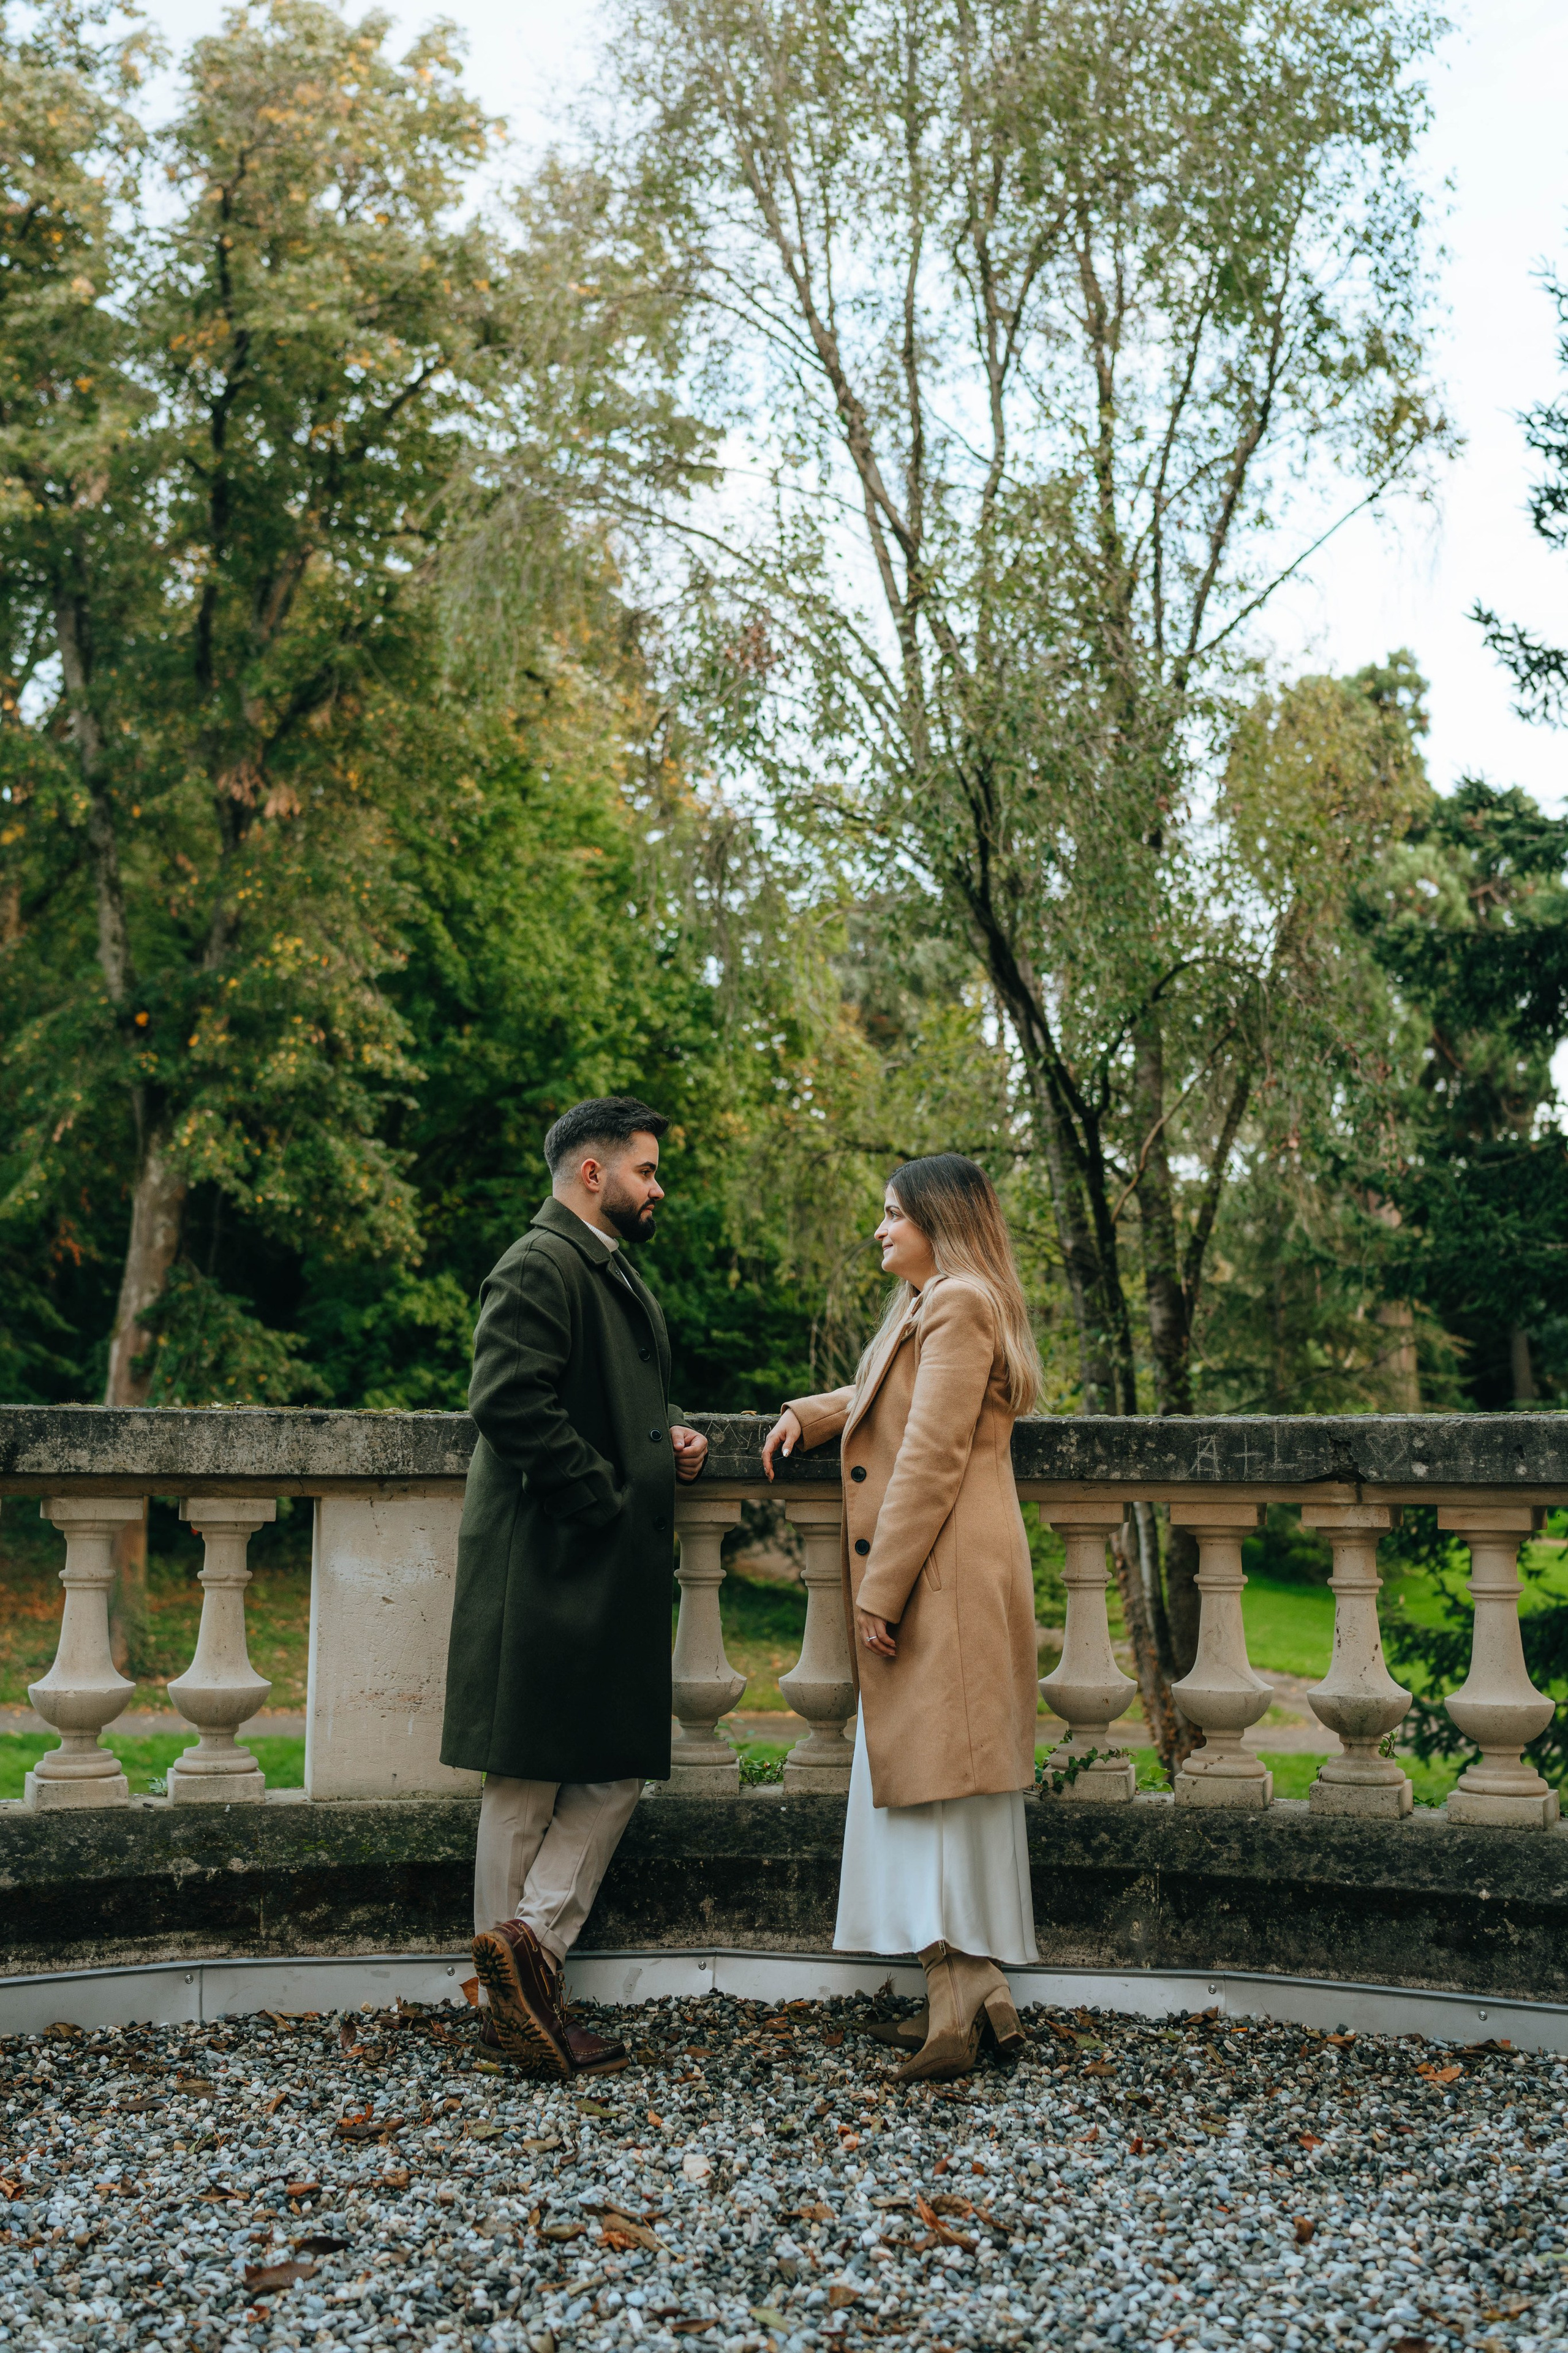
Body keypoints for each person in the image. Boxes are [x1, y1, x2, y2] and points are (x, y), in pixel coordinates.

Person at [441, 1096, 709, 2077]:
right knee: (526, 1774)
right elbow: (508, 1399)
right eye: (646, 1168)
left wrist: (663, 1436)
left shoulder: (597, 1263)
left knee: (610, 1764)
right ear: (592, 1173)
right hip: (546, 1560)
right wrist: (604, 1494)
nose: (657, 1186)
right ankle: (510, 1997)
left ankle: (521, 1962)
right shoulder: (540, 1259)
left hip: (588, 1561)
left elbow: (598, 1395)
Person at [761, 1154, 1040, 2081]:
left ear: (938, 1220)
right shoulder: (933, 1301)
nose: (879, 1230)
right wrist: (810, 1414)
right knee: (927, 1785)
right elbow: (886, 1399)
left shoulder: (958, 1302)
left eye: (892, 1215)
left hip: (942, 1576)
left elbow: (930, 1453)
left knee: (931, 1786)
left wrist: (882, 1590)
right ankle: (970, 1992)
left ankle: (956, 2012)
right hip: (948, 1568)